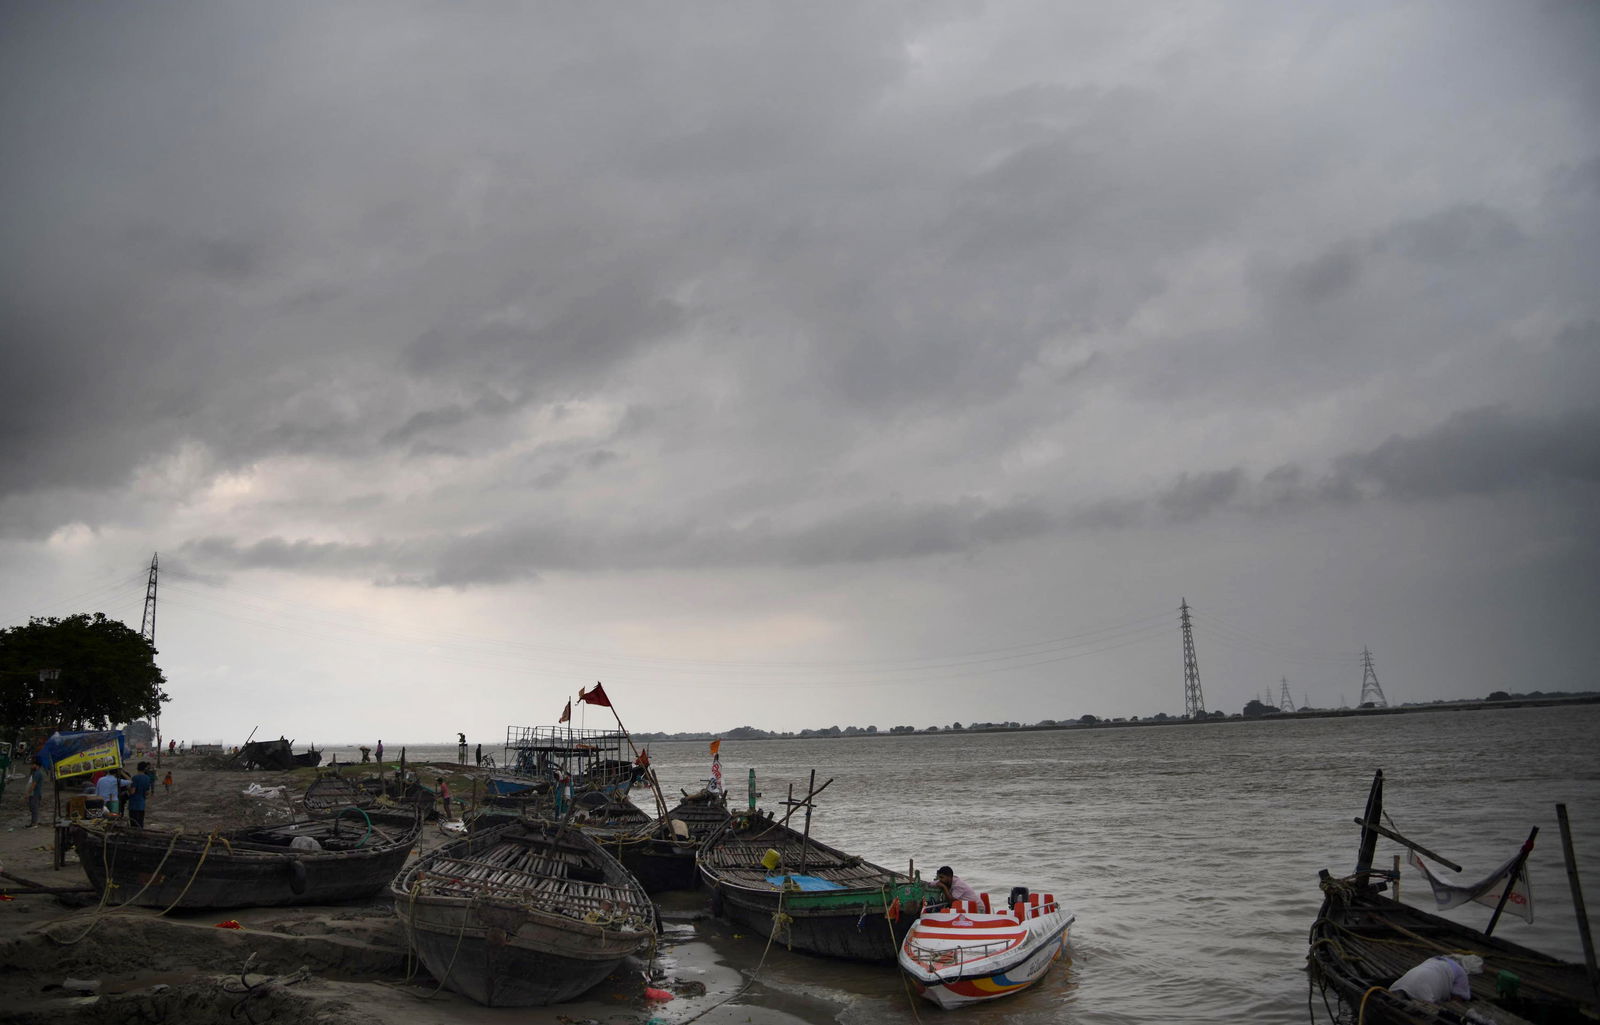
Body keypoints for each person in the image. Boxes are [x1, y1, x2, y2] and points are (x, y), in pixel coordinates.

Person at [128, 761, 155, 827]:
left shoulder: (135, 778)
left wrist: (128, 788)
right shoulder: (147, 778)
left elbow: (132, 792)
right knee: (140, 823)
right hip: (142, 804)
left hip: (134, 804)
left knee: (134, 824)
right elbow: (147, 793)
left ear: (137, 768)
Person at [24, 758, 46, 827]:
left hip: (35, 793)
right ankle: (33, 823)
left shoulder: (37, 773)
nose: (31, 766)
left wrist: (28, 793)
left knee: (34, 808)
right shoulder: (36, 773)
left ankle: (34, 823)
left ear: (36, 765)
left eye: (33, 764)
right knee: (33, 808)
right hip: (34, 793)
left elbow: (33, 784)